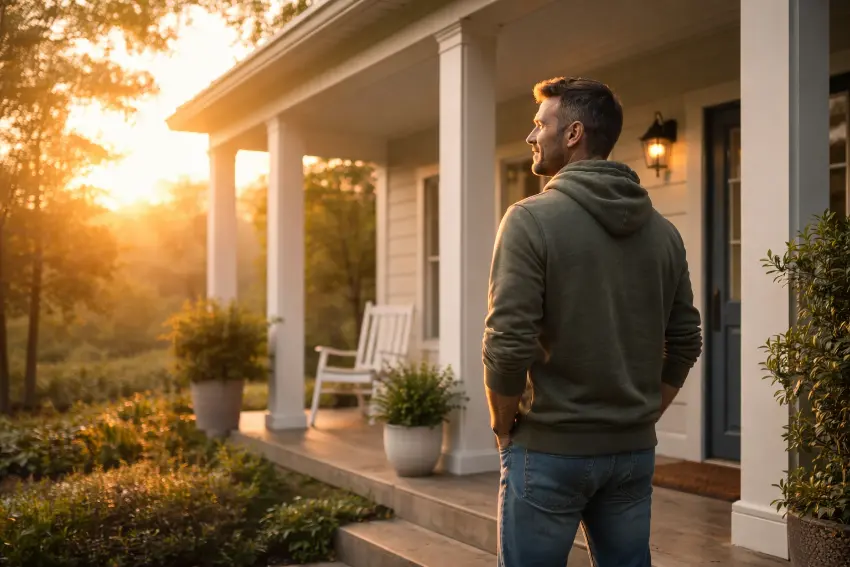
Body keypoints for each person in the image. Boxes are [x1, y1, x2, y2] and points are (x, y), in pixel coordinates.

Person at [482, 76, 703, 567]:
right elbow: (685, 342)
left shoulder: (528, 219)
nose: (531, 136)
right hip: (631, 453)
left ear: (574, 133)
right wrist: (642, 413)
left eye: (540, 124)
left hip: (548, 449)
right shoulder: (665, 234)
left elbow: (507, 342)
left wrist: (502, 424)